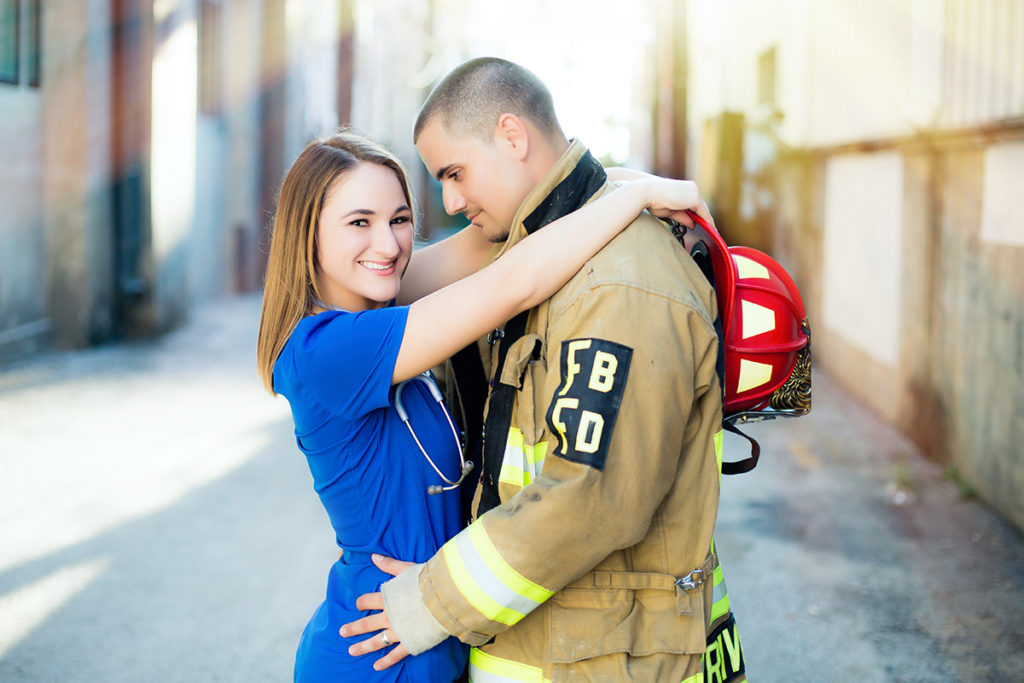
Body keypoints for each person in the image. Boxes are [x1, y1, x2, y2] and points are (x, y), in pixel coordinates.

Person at [340, 58, 747, 683]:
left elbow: (591, 497)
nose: (448, 200)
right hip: (565, 643)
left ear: (511, 135)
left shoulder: (619, 284)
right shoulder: (536, 250)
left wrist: (432, 601)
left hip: (613, 658)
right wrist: (625, 185)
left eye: (454, 173)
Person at [255, 129, 711, 682]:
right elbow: (513, 282)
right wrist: (637, 199)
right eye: (359, 222)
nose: (389, 244)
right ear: (309, 235)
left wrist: (621, 181)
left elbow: (491, 240)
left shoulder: (383, 302)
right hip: (376, 652)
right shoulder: (325, 351)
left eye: (400, 220)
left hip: (430, 633)